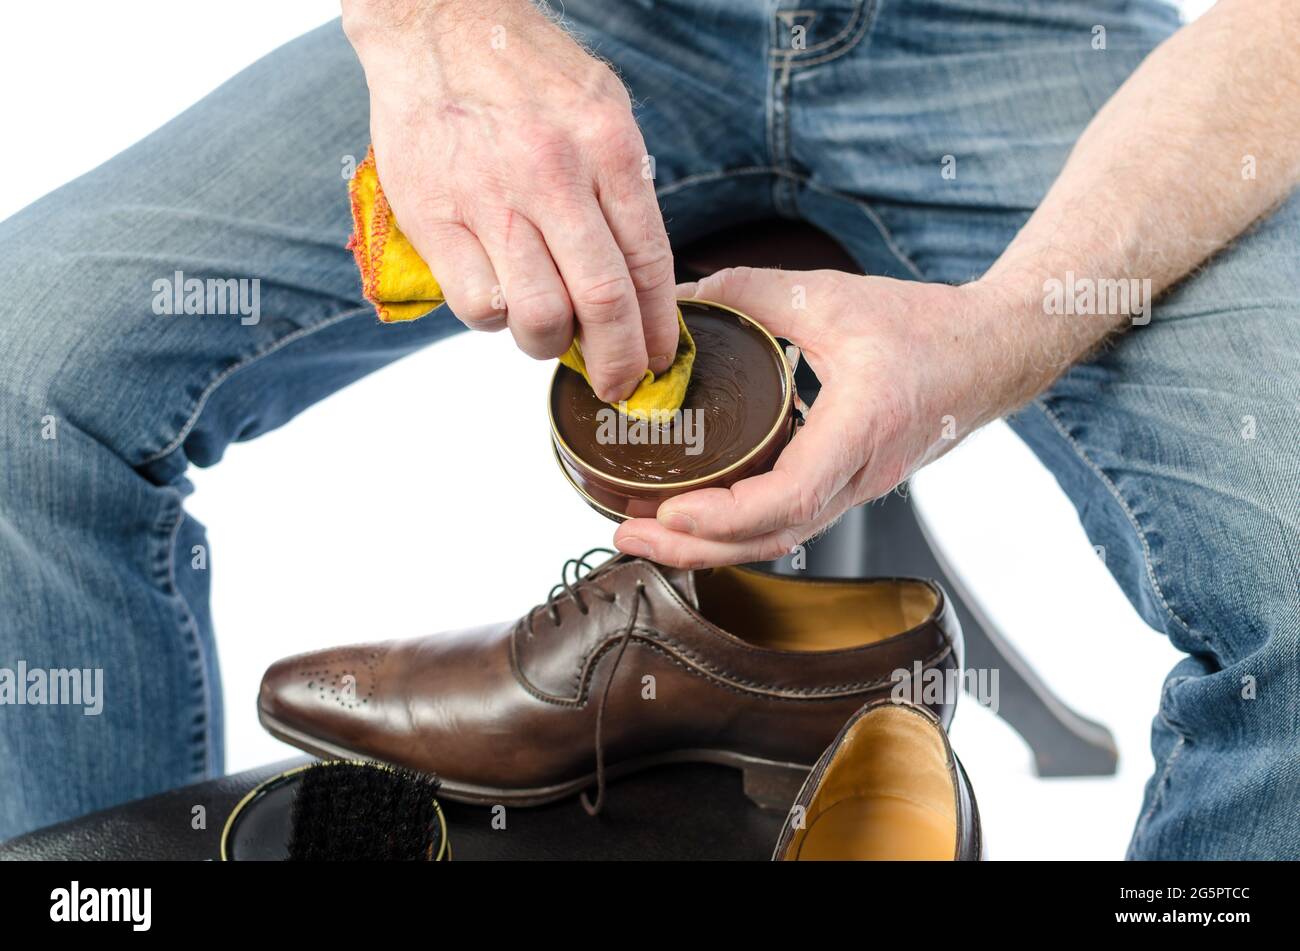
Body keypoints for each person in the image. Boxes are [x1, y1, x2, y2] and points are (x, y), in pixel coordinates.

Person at [0, 0, 1296, 858]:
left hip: (1035, 39)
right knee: (22, 375)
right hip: (579, 19)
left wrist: (1006, 329)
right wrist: (441, 30)